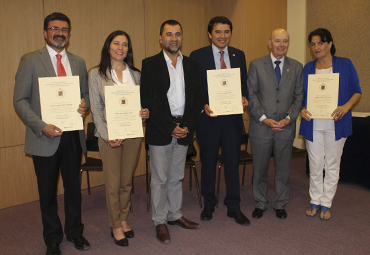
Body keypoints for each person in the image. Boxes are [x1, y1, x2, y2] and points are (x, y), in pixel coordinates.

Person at [13, 12, 90, 255]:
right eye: (54, 28)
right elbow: (20, 100)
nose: (60, 33)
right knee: (47, 191)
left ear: (69, 33)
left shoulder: (78, 62)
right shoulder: (30, 60)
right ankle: (52, 238)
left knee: (73, 189)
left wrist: (84, 104)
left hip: (72, 136)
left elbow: (85, 94)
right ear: (45, 33)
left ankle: (75, 232)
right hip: (44, 136)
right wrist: (40, 125)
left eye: (64, 29)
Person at [140, 20, 203, 244]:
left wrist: (187, 125)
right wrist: (170, 127)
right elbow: (149, 101)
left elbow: (197, 100)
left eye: (177, 34)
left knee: (177, 176)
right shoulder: (149, 64)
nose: (173, 38)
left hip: (185, 128)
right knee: (159, 179)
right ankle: (160, 221)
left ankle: (175, 215)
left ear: (181, 37)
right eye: (169, 34)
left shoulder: (193, 65)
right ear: (160, 38)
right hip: (160, 130)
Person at [88, 30, 149, 246]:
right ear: (108, 46)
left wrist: (145, 113)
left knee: (126, 181)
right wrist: (106, 136)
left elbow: (142, 105)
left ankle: (124, 219)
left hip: (133, 134)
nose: (120, 48)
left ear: (128, 49)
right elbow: (95, 109)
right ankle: (115, 224)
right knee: (113, 183)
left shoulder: (136, 74)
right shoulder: (96, 74)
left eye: (125, 44)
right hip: (109, 136)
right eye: (116, 43)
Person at [190, 16, 249, 225]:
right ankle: (209, 204)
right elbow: (193, 89)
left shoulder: (238, 55)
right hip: (208, 119)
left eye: (226, 32)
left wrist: (244, 98)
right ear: (210, 34)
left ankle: (234, 206)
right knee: (208, 163)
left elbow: (243, 84)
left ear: (230, 34)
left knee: (232, 163)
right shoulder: (197, 56)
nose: (222, 36)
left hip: (232, 119)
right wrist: (202, 104)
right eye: (218, 32)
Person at [300, 28, 361, 220]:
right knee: (315, 164)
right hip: (313, 123)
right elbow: (301, 95)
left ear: (330, 44)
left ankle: (326, 203)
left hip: (337, 123)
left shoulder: (345, 64)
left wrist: (346, 106)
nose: (317, 47)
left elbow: (357, 91)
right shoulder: (308, 68)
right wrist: (302, 108)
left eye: (320, 43)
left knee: (332, 164)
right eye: (313, 44)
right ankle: (315, 200)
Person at [247, 28, 303, 220]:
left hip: (285, 127)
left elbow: (298, 97)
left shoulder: (296, 66)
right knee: (260, 168)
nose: (281, 45)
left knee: (283, 169)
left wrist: (289, 118)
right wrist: (263, 118)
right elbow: (251, 95)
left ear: (288, 43)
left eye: (285, 41)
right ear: (270, 43)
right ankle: (261, 202)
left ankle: (280, 203)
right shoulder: (256, 64)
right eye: (277, 41)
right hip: (261, 126)